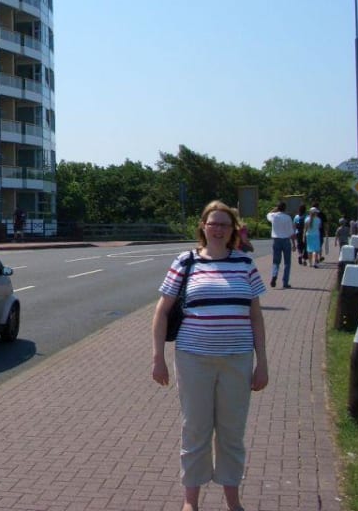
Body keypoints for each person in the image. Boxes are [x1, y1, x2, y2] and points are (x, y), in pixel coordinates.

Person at [152, 200, 268, 511]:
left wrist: (262, 365)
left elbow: (256, 317)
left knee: (232, 432)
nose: (218, 229)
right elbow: (162, 312)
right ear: (203, 227)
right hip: (194, 359)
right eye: (212, 223)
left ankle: (233, 499)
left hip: (237, 360)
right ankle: (191, 501)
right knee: (196, 429)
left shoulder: (244, 264)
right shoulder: (185, 261)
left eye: (224, 224)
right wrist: (158, 358)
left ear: (233, 231)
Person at [266, 202, 296, 288]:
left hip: (276, 240)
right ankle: (285, 282)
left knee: (276, 261)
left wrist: (274, 209)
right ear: (285, 208)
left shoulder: (274, 216)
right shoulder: (288, 218)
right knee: (287, 262)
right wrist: (294, 244)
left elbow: (268, 214)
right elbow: (291, 232)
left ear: (278, 208)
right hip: (286, 240)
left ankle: (274, 275)